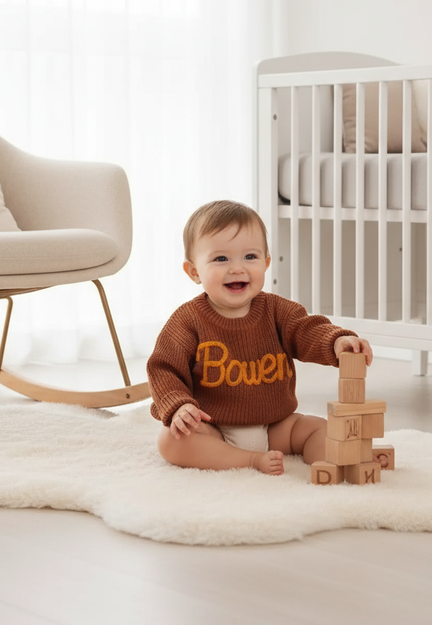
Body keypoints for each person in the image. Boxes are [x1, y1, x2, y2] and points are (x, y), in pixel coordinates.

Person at [147, 200, 373, 476]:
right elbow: (163, 369)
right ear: (194, 271)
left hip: (277, 426)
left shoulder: (278, 311)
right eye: (221, 259)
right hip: (214, 427)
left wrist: (336, 342)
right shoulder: (187, 320)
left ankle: (342, 464)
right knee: (170, 441)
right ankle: (248, 460)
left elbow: (306, 329)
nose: (237, 268)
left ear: (266, 264)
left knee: (320, 428)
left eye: (250, 257)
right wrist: (178, 406)